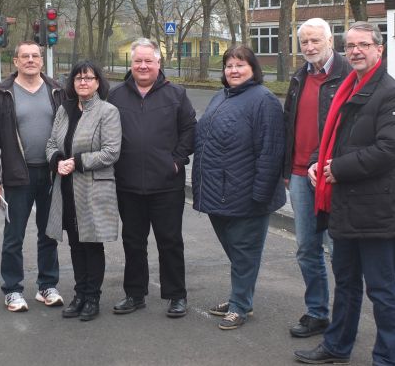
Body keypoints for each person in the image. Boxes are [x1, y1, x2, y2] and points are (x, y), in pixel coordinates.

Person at [295, 22, 395, 366]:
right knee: (345, 283)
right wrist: (318, 161)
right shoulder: (347, 88)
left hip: (377, 210)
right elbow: (330, 138)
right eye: (351, 45)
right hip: (344, 205)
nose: (356, 50)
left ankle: (386, 359)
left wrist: (336, 168)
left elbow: (389, 150)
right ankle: (336, 346)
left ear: (380, 49)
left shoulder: (390, 93)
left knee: (382, 290)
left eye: (363, 44)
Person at [192, 45, 286, 330]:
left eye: (240, 65)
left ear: (253, 69)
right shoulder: (220, 96)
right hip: (216, 192)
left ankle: (241, 305)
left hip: (247, 195)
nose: (233, 70)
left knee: (245, 251)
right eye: (229, 65)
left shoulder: (264, 100)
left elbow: (271, 151)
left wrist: (260, 194)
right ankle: (239, 296)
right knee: (236, 251)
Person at [107, 38, 196, 318]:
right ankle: (135, 294)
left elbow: (190, 130)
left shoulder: (176, 94)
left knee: (170, 241)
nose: (143, 66)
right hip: (128, 184)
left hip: (166, 184)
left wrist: (176, 161)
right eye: (138, 61)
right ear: (131, 64)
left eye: (149, 61)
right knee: (133, 242)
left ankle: (176, 295)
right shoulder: (116, 95)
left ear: (159, 63)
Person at [0, 41, 65, 313]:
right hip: (18, 175)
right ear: (15, 61)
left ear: (42, 60)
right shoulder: (2, 95)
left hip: (51, 174)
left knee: (49, 233)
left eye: (35, 56)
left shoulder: (57, 91)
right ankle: (13, 289)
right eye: (24, 56)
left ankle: (47, 286)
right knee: (13, 236)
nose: (30, 60)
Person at [283, 18, 352, 338]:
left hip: (332, 175)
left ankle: (344, 317)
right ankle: (317, 312)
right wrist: (287, 170)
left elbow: (353, 129)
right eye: (304, 43)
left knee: (339, 250)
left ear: (330, 41)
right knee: (306, 249)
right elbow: (289, 126)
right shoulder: (298, 78)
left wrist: (330, 163)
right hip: (298, 176)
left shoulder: (348, 76)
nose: (309, 48)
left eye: (315, 41)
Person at [45, 60, 121, 321]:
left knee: (91, 243)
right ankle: (79, 294)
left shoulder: (107, 112)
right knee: (76, 244)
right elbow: (52, 142)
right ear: (72, 83)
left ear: (98, 82)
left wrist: (77, 161)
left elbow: (111, 152)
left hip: (92, 188)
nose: (83, 83)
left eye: (89, 78)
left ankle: (92, 298)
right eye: (78, 79)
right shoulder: (64, 110)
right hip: (66, 186)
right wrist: (56, 160)